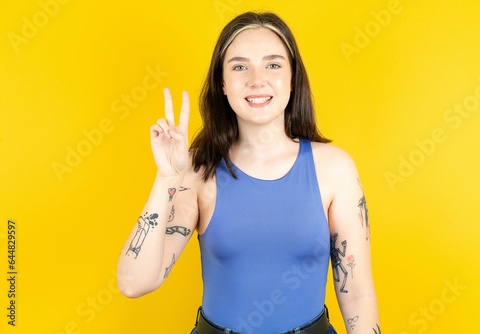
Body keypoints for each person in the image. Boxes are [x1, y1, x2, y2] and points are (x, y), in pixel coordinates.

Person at [117, 11, 380, 334]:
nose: (257, 79)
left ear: (293, 79)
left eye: (273, 64)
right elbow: (133, 283)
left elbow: (357, 293)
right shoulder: (199, 172)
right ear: (222, 84)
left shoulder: (335, 168)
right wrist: (167, 179)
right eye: (240, 66)